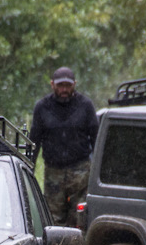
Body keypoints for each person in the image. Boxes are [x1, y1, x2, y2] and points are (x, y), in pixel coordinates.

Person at [29, 66, 99, 226]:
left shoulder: (86, 105)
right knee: (53, 220)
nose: (64, 89)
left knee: (80, 219)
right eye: (60, 86)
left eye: (68, 86)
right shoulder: (42, 107)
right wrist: (29, 169)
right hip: (54, 173)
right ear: (52, 84)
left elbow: (96, 138)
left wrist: (98, 170)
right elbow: (34, 141)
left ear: (74, 84)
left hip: (81, 173)